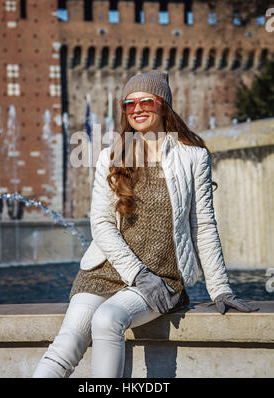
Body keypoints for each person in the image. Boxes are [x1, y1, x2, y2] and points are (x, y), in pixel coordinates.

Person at [33, 70, 258, 379]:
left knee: (107, 319)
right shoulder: (110, 157)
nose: (137, 109)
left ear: (163, 104)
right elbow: (100, 223)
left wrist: (219, 288)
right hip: (105, 270)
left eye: (146, 102)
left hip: (162, 277)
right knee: (67, 343)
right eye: (129, 104)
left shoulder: (193, 157)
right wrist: (137, 273)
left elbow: (202, 225)